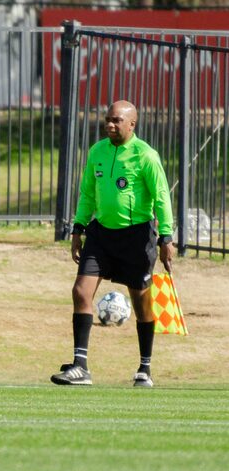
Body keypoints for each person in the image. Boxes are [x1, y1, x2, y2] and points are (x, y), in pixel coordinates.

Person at [51, 100, 175, 388]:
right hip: (101, 235)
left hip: (136, 237)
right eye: (108, 119)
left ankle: (145, 368)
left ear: (132, 124)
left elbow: (161, 198)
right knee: (80, 291)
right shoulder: (97, 151)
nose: (110, 124)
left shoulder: (146, 156)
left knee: (142, 303)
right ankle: (80, 366)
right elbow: (87, 193)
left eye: (117, 120)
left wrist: (166, 237)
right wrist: (78, 228)